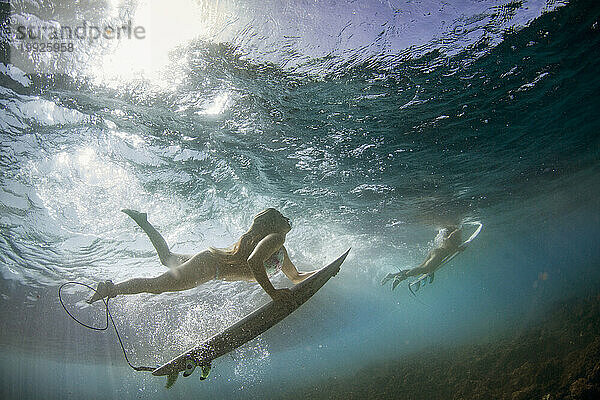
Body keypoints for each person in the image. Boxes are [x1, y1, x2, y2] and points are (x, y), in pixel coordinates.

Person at [87, 208, 317, 304]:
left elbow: (296, 277)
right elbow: (254, 262)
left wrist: (325, 272)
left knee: (167, 258)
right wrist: (273, 293)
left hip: (210, 263)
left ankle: (144, 221)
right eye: (285, 218)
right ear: (274, 224)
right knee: (157, 285)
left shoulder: (281, 253)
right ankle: (111, 289)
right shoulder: (277, 238)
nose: (289, 222)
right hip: (210, 268)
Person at [382, 225, 464, 287]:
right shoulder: (457, 232)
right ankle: (401, 277)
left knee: (421, 268)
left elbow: (447, 240)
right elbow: (448, 240)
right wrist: (457, 249)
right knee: (423, 269)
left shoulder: (452, 232)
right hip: (440, 253)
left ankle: (392, 275)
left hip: (437, 251)